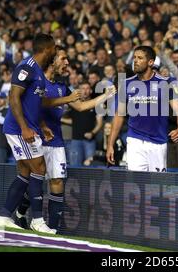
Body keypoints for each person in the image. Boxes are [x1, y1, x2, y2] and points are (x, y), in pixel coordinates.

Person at [15, 47, 115, 231]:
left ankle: (52, 228)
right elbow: (39, 103)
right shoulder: (38, 81)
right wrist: (67, 99)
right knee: (33, 181)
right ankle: (21, 214)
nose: (67, 63)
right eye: (64, 59)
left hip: (56, 140)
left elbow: (82, 106)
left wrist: (106, 95)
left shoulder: (62, 87)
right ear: (52, 61)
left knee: (57, 180)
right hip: (35, 138)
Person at [0, 34, 80, 233]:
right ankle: (38, 221)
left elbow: (34, 103)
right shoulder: (27, 67)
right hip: (19, 128)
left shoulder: (38, 71)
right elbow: (13, 97)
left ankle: (3, 215)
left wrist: (42, 124)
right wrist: (24, 127)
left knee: (25, 172)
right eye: (54, 49)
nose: (55, 53)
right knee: (39, 168)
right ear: (47, 49)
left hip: (30, 127)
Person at [106, 46, 178, 172]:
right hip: (134, 141)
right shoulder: (126, 84)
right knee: (135, 185)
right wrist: (110, 144)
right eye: (134, 58)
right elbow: (118, 116)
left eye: (140, 58)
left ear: (150, 62)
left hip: (158, 142)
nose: (135, 61)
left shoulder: (166, 83)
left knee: (157, 186)